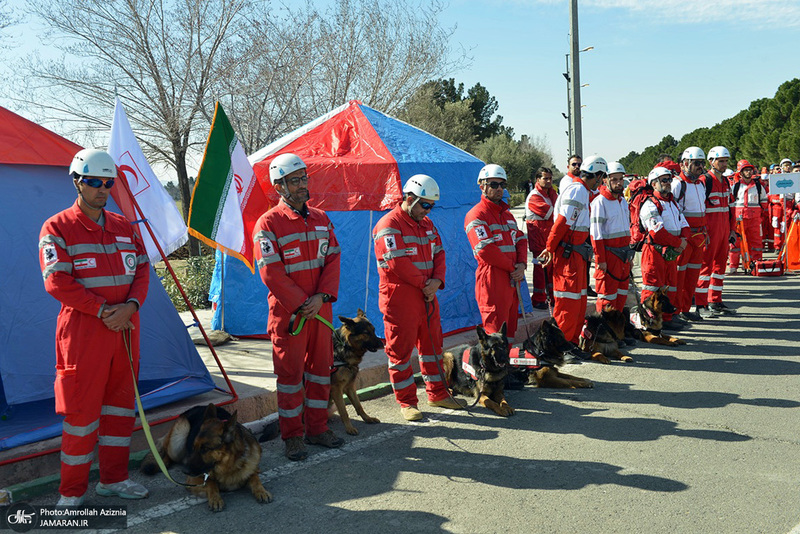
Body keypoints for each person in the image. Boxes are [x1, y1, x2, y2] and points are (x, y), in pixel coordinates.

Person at [39, 149, 150, 506]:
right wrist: (103, 311)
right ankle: (71, 492)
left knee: (120, 409)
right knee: (82, 414)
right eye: (93, 182)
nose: (102, 190)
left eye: (108, 183)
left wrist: (131, 307)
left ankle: (113, 479)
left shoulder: (122, 226)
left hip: (125, 331)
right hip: (86, 334)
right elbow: (56, 281)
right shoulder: (57, 228)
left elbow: (144, 270)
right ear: (77, 181)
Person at [253, 153, 343, 461]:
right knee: (290, 377)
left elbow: (333, 258)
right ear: (279, 186)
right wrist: (302, 303)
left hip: (320, 310)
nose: (303, 185)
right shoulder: (268, 223)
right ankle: (292, 435)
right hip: (290, 315)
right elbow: (270, 271)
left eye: (305, 178)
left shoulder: (321, 218)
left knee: (320, 372)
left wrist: (322, 297)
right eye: (295, 180)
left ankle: (317, 428)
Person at [373, 174, 465, 422]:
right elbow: (396, 263)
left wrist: (437, 280)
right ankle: (407, 402)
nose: (428, 211)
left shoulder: (427, 224)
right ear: (409, 198)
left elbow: (440, 253)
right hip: (400, 298)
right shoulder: (388, 225)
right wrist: (426, 284)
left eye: (431, 206)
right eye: (425, 205)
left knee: (432, 347)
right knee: (400, 352)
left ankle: (437, 393)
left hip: (427, 295)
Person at [539, 155, 606, 347]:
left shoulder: (583, 191)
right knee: (567, 303)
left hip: (576, 254)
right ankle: (562, 346)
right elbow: (562, 222)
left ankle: (571, 344)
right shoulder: (577, 191)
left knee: (578, 302)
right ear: (598, 175)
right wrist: (550, 248)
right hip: (568, 255)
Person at [465, 164, 528, 338]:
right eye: (493, 184)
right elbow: (485, 250)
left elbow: (521, 239)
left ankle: (506, 363)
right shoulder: (476, 215)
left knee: (509, 328)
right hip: (492, 278)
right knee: (495, 332)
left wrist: (522, 264)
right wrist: (513, 268)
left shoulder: (507, 214)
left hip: (512, 277)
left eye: (502, 185)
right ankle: (499, 365)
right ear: (482, 186)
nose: (499, 189)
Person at [640, 167, 689, 330]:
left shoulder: (672, 203)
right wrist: (678, 243)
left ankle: (667, 318)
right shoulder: (649, 204)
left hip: (670, 253)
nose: (668, 183)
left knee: (670, 286)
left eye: (669, 180)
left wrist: (683, 240)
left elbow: (684, 224)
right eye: (664, 180)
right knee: (653, 288)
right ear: (654, 184)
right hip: (655, 252)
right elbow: (657, 233)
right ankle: (649, 321)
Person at [696, 146, 736, 317]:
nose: (724, 164)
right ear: (711, 162)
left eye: (726, 161)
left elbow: (730, 209)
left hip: (723, 232)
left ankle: (715, 300)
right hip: (709, 233)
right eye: (721, 161)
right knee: (705, 268)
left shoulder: (726, 181)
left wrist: (732, 230)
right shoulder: (705, 181)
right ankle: (701, 304)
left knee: (720, 268)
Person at [590, 161, 631, 313]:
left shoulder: (622, 202)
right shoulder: (599, 202)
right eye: (614, 179)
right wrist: (601, 259)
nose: (619, 183)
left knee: (621, 294)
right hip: (609, 256)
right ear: (605, 180)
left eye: (620, 179)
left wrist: (629, 256)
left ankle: (618, 331)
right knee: (607, 295)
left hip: (623, 256)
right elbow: (596, 233)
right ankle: (605, 332)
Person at [672, 147, 707, 322]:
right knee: (680, 276)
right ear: (685, 164)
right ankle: (676, 311)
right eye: (696, 163)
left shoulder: (700, 183)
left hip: (699, 237)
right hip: (685, 237)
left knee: (692, 276)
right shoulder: (678, 184)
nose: (700, 166)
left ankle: (686, 309)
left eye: (702, 163)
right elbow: (672, 211)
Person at [525, 167, 558, 310]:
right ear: (537, 180)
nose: (549, 181)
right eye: (545, 178)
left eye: (550, 178)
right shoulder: (535, 196)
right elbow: (555, 213)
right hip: (539, 240)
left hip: (548, 239)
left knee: (551, 270)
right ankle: (538, 299)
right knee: (541, 271)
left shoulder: (550, 194)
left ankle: (551, 296)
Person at [728, 160, 767, 272]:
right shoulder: (735, 187)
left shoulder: (758, 186)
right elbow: (730, 203)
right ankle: (733, 266)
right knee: (735, 243)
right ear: (741, 172)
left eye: (750, 170)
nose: (748, 172)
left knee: (755, 242)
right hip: (739, 219)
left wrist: (762, 215)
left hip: (754, 220)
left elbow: (764, 201)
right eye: (746, 170)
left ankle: (756, 264)